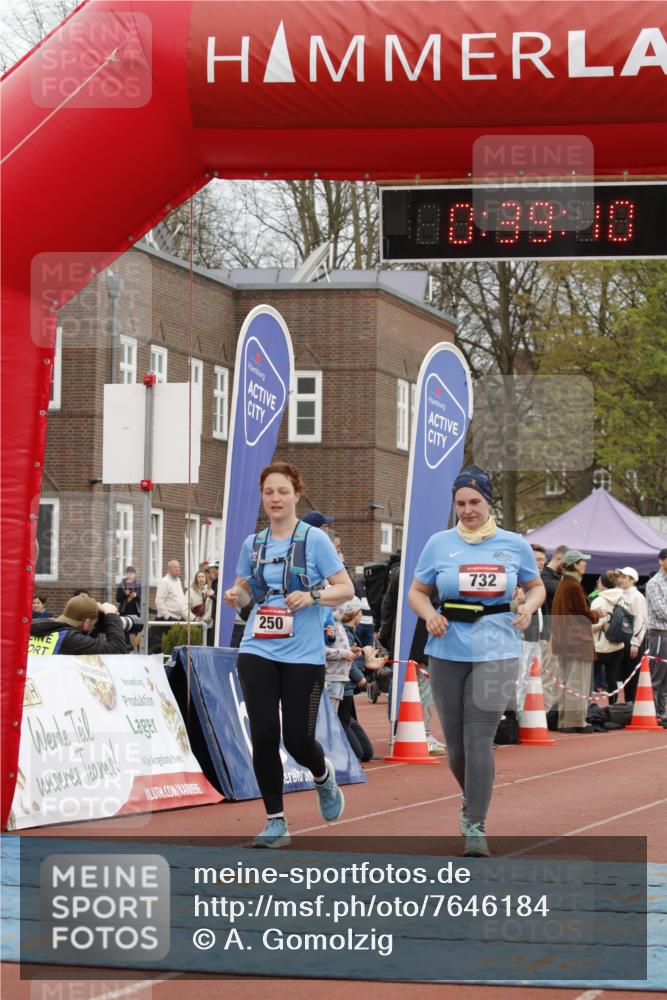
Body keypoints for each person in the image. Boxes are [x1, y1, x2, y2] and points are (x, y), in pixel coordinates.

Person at [408, 465, 545, 857]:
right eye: (461, 504)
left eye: (475, 502)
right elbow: (417, 592)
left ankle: (476, 825)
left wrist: (529, 609)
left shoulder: (513, 544)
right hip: (447, 649)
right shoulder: (439, 543)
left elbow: (535, 587)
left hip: (497, 648)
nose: (468, 510)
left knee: (479, 740)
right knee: (456, 747)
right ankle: (471, 800)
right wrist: (429, 614)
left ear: (488, 502)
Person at [223, 462, 354, 848]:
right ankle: (275, 821)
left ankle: (322, 776)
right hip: (258, 647)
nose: (275, 499)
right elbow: (245, 591)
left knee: (298, 740)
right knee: (264, 733)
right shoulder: (254, 544)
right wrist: (236, 596)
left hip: (303, 653)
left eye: (282, 491)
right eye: (269, 493)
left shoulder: (314, 540)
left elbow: (344, 588)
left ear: (296, 494)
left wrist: (313, 596)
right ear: (262, 498)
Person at [551, 550, 601, 733]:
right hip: (578, 641)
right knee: (577, 682)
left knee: (567, 682)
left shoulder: (564, 583)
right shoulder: (573, 586)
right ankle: (575, 721)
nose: (585, 564)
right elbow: (584, 614)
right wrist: (598, 614)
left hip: (564, 639)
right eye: (582, 562)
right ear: (574, 564)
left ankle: (565, 720)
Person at [29, 594, 130, 655]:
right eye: (93, 624)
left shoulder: (37, 626)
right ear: (87, 623)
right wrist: (111, 615)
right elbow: (117, 649)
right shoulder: (70, 639)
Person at [516, 544, 547, 714]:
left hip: (536, 636)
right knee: (520, 679)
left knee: (533, 679)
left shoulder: (537, 585)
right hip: (522, 637)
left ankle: (528, 715)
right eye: (537, 560)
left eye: (543, 560)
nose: (541, 563)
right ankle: (517, 715)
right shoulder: (519, 583)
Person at [540, 544, 569, 714]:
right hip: (547, 633)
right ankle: (545, 711)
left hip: (557, 632)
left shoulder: (556, 578)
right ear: (558, 557)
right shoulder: (545, 578)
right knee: (548, 674)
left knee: (557, 675)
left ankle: (552, 711)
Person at [590, 571, 628, 699]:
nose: (597, 583)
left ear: (603, 584)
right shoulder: (622, 598)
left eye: (599, 581)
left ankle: (586, 708)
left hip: (599, 646)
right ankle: (612, 710)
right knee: (612, 680)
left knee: (589, 679)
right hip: (618, 644)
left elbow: (593, 625)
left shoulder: (599, 601)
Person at [617, 566, 649, 704]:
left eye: (624, 577)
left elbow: (640, 621)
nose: (621, 580)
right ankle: (628, 706)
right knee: (625, 676)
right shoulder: (621, 594)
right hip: (623, 640)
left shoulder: (637, 597)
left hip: (634, 641)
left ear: (632, 580)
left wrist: (635, 644)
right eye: (621, 577)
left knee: (633, 676)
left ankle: (634, 707)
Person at [646, 548, 667, 725]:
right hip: (660, 634)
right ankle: (651, 712)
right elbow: (661, 611)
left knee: (666, 678)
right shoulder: (655, 583)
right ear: (661, 561)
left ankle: (662, 713)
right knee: (657, 675)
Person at [152, 559, 188, 652]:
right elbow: (159, 600)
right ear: (169, 569)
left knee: (178, 642)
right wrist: (167, 616)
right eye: (175, 567)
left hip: (178, 618)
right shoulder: (164, 582)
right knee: (168, 644)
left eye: (179, 567)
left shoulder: (178, 580)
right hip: (168, 619)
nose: (178, 569)